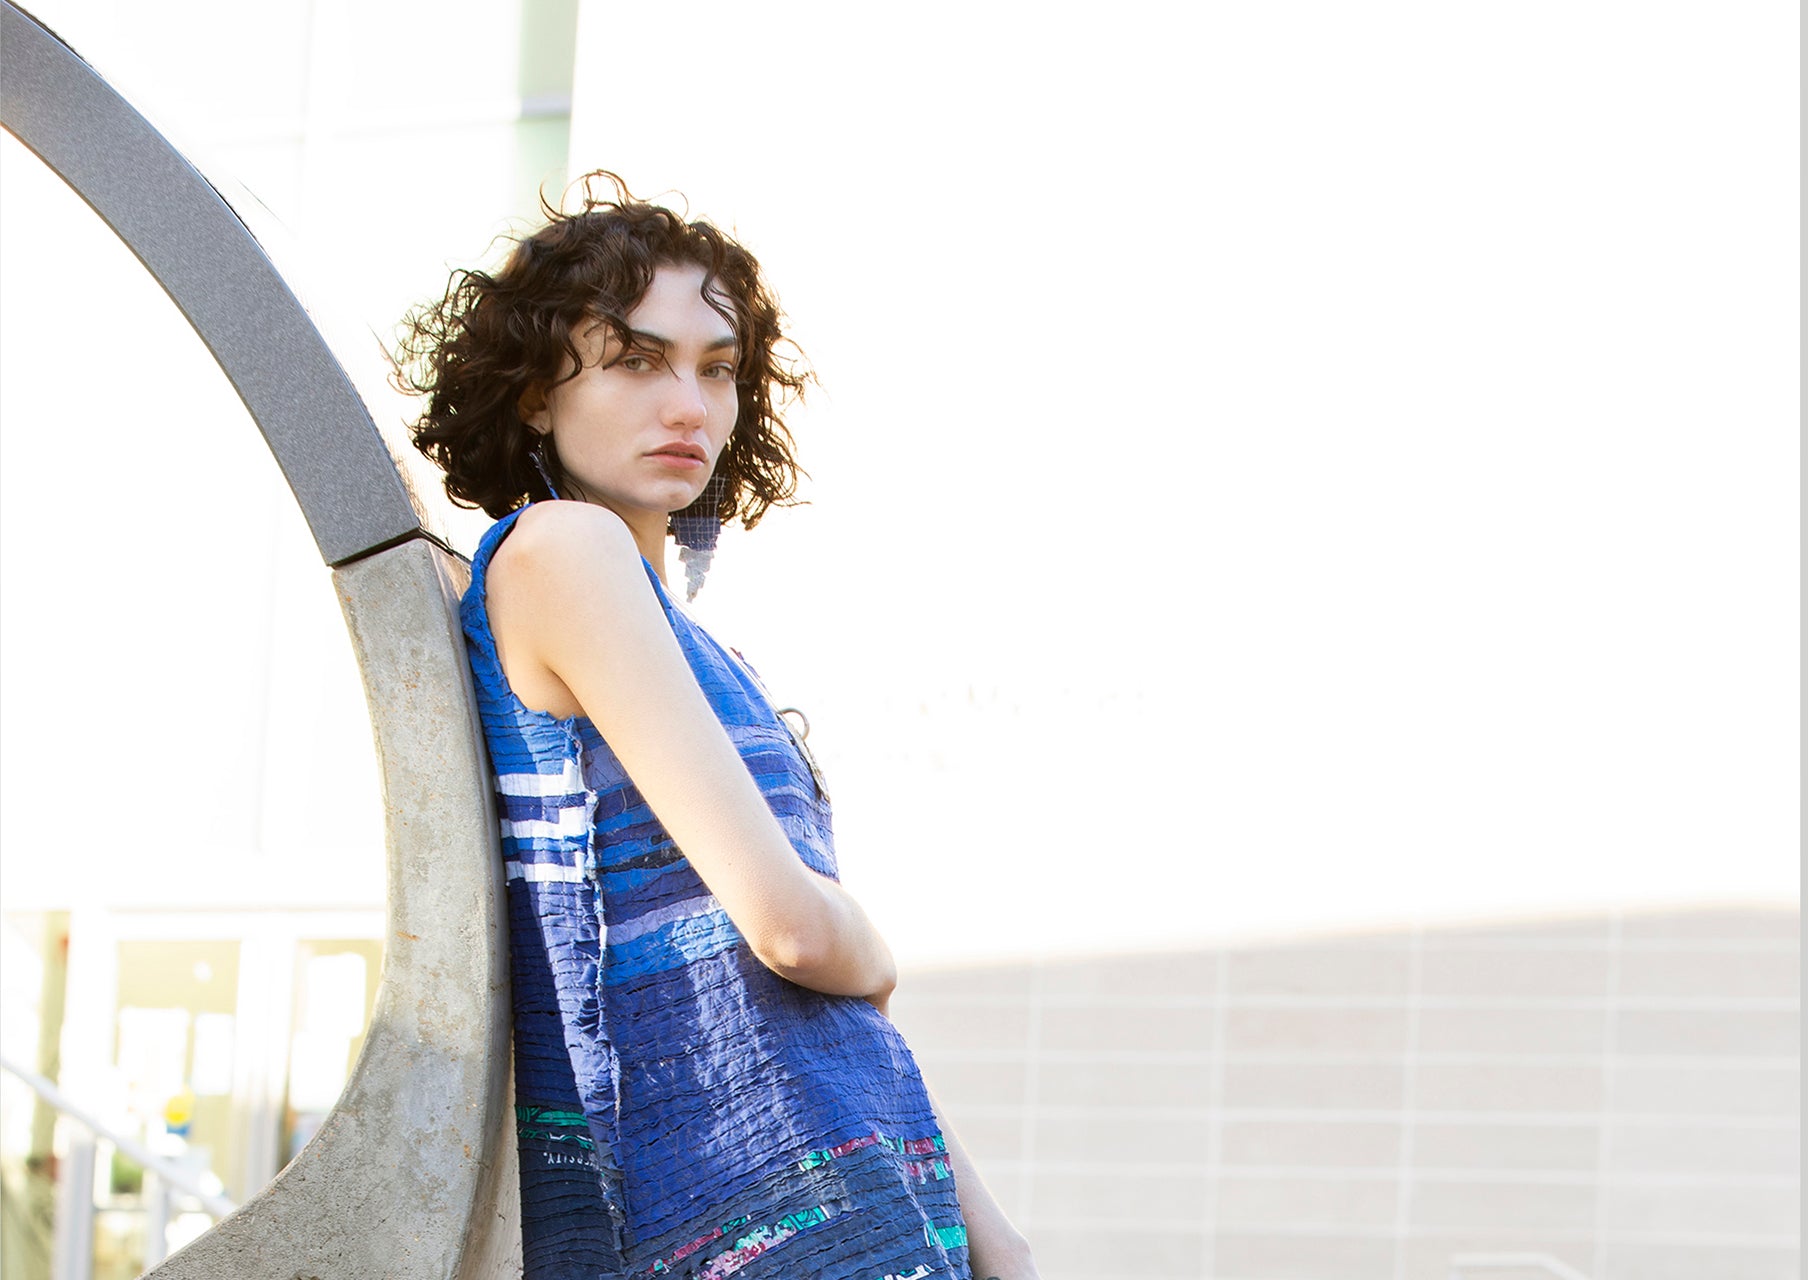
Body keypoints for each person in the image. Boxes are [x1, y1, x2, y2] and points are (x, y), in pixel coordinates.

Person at [396, 173, 1037, 1280]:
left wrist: (991, 1232)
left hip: (862, 1194)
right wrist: (869, 945)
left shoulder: (701, 648)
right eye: (636, 359)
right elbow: (792, 929)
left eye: (716, 367)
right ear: (538, 394)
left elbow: (822, 999)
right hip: (720, 1214)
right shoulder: (560, 549)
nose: (686, 403)